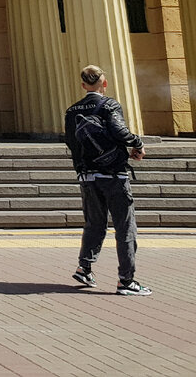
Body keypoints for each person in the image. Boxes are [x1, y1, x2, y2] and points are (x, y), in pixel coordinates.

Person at [64, 64, 151, 296]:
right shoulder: (109, 105)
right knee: (125, 227)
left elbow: (71, 143)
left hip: (88, 176)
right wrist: (137, 144)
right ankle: (126, 281)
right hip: (113, 175)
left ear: (83, 85)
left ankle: (84, 268)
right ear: (104, 83)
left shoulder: (72, 111)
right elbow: (119, 131)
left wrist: (82, 169)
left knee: (94, 224)